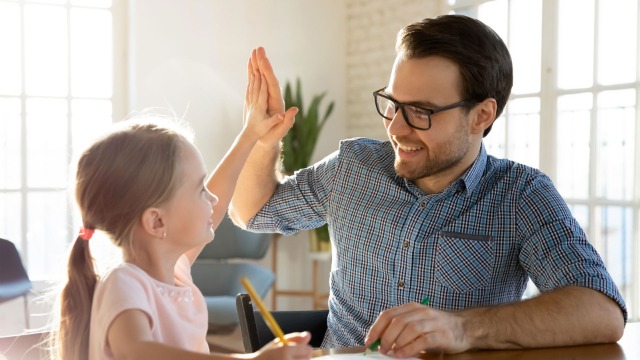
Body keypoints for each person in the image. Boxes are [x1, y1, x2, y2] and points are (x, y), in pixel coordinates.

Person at [227, 15, 627, 358]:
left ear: (481, 115)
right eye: (393, 103)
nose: (397, 129)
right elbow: (252, 212)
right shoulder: (352, 168)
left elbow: (601, 312)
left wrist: (461, 329)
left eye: (422, 112)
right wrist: (264, 140)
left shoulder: (521, 195)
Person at [53, 71, 312, 360]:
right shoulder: (123, 283)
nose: (213, 199)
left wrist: (251, 134)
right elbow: (138, 352)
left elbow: (217, 200)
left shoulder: (176, 273)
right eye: (200, 189)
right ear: (157, 222)